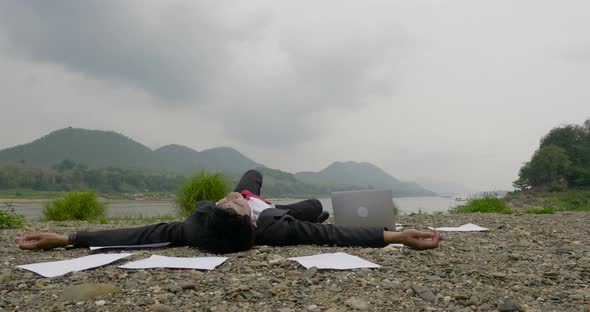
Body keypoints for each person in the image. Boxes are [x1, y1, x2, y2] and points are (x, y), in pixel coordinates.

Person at [18, 170, 440, 253]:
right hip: (281, 211)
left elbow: (141, 233)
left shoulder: (196, 226)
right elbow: (334, 238)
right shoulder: (277, 229)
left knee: (251, 173)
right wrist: (398, 237)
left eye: (226, 199)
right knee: (316, 213)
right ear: (247, 217)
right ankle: (303, 207)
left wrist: (68, 238)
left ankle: (257, 186)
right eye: (232, 201)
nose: (227, 198)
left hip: (266, 209)